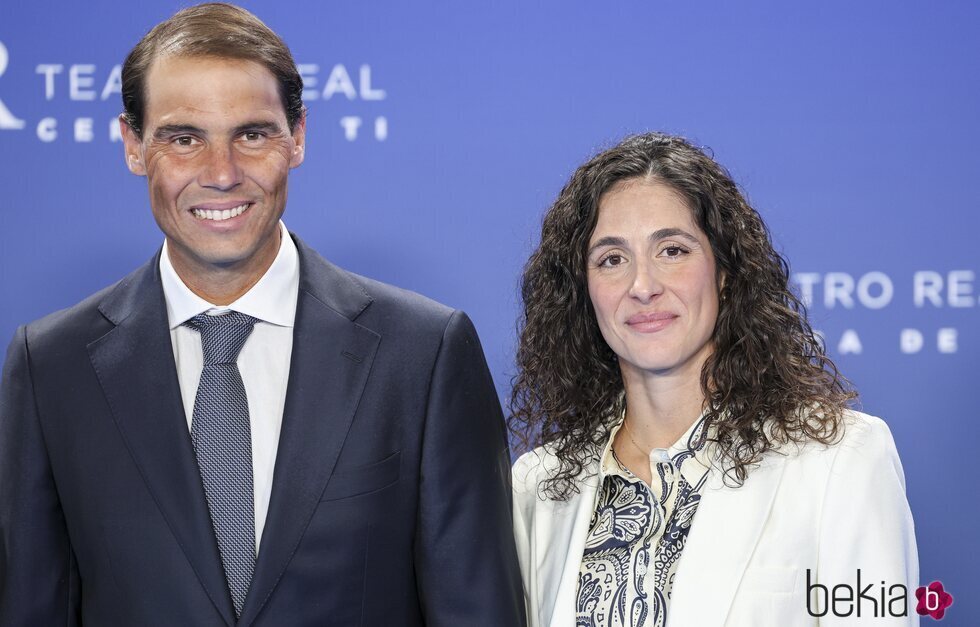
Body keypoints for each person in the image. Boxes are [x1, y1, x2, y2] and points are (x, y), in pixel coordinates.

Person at [0, 4, 525, 625]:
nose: (221, 174)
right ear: (134, 146)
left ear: (297, 137)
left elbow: (477, 610)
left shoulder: (423, 353)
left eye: (252, 134)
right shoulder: (51, 366)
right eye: (184, 138)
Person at [509, 132, 917, 626]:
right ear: (583, 289)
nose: (642, 287)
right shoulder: (538, 486)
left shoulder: (841, 458)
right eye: (612, 259)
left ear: (724, 271)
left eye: (673, 250)